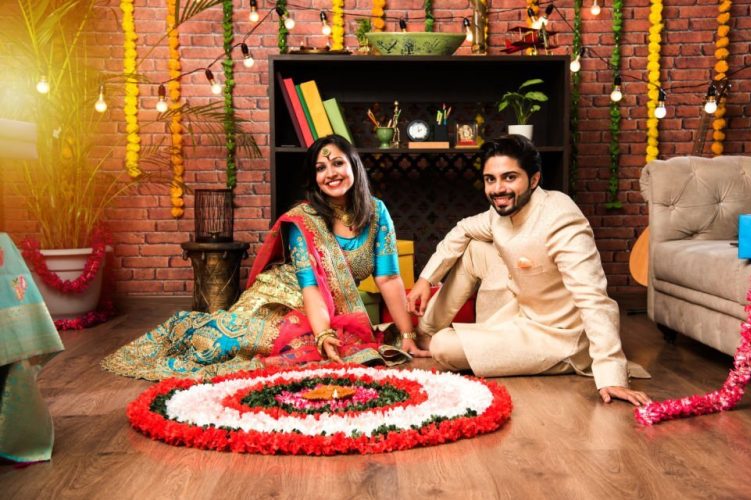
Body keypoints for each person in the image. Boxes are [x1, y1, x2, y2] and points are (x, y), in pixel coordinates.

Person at [103, 135, 429, 381]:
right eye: (320, 167)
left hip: (331, 308)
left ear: (354, 165)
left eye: (338, 163)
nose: (330, 172)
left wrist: (409, 336)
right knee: (217, 345)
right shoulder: (304, 219)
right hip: (280, 296)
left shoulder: (377, 212)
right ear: (313, 178)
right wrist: (324, 333)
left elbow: (388, 278)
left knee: (309, 355)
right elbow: (310, 286)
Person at [406, 134, 650, 406]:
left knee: (444, 347)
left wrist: (611, 375)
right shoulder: (499, 213)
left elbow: (593, 298)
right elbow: (463, 229)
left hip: (557, 335)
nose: (498, 189)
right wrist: (426, 279)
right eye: (490, 179)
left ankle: (441, 341)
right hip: (523, 307)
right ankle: (424, 333)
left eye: (510, 178)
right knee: (475, 249)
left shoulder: (561, 220)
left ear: (534, 180)